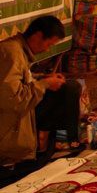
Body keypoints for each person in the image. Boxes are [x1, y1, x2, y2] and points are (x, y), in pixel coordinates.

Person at [0, 16, 81, 171]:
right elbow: (14, 99)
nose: (47, 49)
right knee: (69, 89)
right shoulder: (11, 52)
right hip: (10, 121)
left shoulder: (18, 50)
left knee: (69, 87)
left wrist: (44, 78)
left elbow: (23, 80)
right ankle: (60, 140)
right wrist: (45, 84)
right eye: (49, 44)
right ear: (37, 36)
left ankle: (63, 140)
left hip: (22, 105)